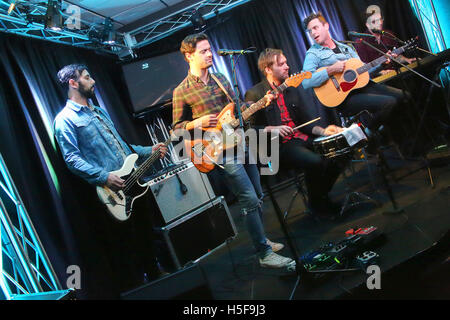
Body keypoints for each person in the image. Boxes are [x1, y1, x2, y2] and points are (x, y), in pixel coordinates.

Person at [172, 33, 295, 269]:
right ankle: (263, 253)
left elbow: (238, 107)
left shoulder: (220, 78)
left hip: (241, 142)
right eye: (203, 51)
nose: (210, 54)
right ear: (189, 56)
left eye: (210, 49)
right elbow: (176, 130)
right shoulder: (182, 91)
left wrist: (259, 103)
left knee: (258, 195)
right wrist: (194, 123)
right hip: (219, 151)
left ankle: (262, 238)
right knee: (248, 198)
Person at [53, 64, 168, 296]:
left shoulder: (99, 112)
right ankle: (138, 288)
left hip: (133, 182)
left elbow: (124, 147)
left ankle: (157, 277)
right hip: (111, 193)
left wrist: (149, 149)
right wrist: (104, 176)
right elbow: (72, 159)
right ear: (73, 83)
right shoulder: (65, 120)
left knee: (147, 234)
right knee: (125, 246)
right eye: (87, 77)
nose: (93, 80)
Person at [245, 48, 343, 219]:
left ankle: (318, 199)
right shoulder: (255, 93)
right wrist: (273, 129)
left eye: (286, 63)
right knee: (316, 161)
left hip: (300, 139)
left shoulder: (290, 88)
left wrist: (324, 131)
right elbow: (248, 132)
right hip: (278, 148)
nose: (287, 67)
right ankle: (319, 203)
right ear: (268, 69)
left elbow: (306, 122)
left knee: (339, 152)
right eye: (281, 64)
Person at [301, 11, 409, 137]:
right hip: (344, 99)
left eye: (315, 28)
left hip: (362, 87)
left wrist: (381, 64)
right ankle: (369, 132)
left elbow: (363, 69)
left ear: (326, 26)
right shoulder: (313, 54)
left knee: (404, 96)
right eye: (310, 31)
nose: (313, 33)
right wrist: (330, 70)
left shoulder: (345, 47)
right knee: (388, 102)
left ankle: (395, 137)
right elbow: (306, 82)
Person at [353, 5, 417, 77]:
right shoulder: (361, 43)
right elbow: (364, 68)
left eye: (380, 19)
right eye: (375, 21)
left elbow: (396, 55)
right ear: (368, 25)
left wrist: (406, 60)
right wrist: (382, 71)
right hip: (378, 79)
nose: (380, 23)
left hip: (396, 73)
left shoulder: (388, 34)